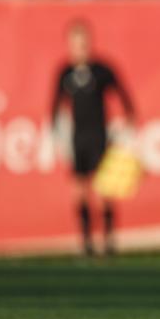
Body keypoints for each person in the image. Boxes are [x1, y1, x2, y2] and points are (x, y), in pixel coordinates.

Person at [51, 21, 135, 256]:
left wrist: (126, 127)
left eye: (84, 43)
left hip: (100, 136)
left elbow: (124, 98)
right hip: (78, 138)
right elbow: (55, 107)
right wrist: (57, 136)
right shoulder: (65, 73)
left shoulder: (102, 71)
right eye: (76, 44)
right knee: (79, 190)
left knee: (103, 191)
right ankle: (86, 242)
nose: (81, 48)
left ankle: (108, 242)